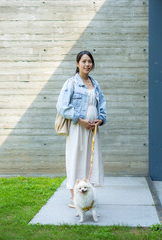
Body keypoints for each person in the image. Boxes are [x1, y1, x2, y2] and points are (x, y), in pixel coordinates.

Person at [56, 50, 106, 208]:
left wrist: (101, 119)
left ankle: (87, 198)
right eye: (83, 61)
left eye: (89, 61)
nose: (87, 64)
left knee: (89, 161)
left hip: (92, 130)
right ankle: (74, 199)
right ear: (77, 64)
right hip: (78, 128)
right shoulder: (70, 83)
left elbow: (101, 104)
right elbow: (62, 106)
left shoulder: (95, 83)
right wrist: (80, 119)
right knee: (75, 160)